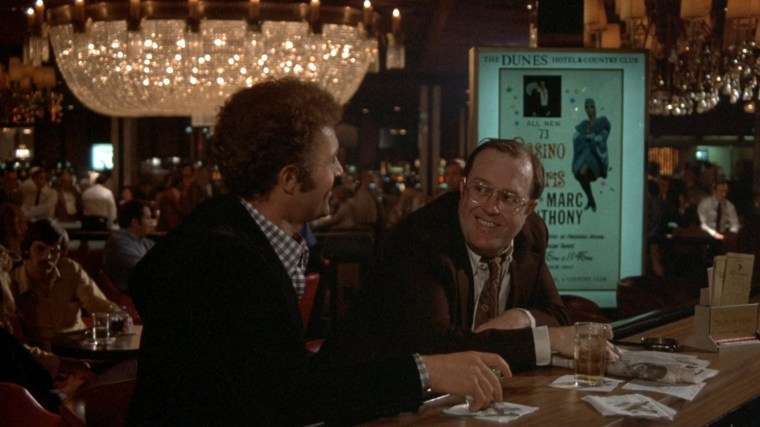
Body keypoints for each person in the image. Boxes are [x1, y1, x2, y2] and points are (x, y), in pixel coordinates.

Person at [125, 78, 513, 427]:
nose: (341, 171)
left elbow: (279, 378)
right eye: (330, 160)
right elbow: (292, 399)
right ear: (290, 179)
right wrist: (427, 372)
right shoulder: (225, 262)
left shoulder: (229, 233)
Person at [321, 139, 612, 374]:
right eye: (480, 189)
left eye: (508, 198)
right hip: (366, 398)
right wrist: (544, 341)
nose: (490, 207)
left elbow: (557, 314)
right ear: (462, 188)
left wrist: (519, 318)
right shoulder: (420, 239)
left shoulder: (531, 235)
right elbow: (437, 349)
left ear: (529, 209)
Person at [6, 220, 119, 351]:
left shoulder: (69, 270)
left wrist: (119, 316)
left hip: (77, 349)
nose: (47, 256)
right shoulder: (12, 281)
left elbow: (98, 304)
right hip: (39, 355)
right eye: (40, 249)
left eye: (54, 251)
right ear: (27, 250)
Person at [102, 200, 155, 293]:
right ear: (135, 222)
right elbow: (142, 269)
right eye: (147, 218)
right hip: (128, 295)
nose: (151, 223)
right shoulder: (118, 242)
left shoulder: (144, 241)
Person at [571, 98, 610, 212]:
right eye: (587, 107)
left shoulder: (602, 121)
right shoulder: (584, 124)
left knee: (582, 173)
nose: (589, 109)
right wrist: (585, 138)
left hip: (595, 156)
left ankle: (591, 201)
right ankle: (591, 200)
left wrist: (593, 138)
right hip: (583, 156)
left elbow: (602, 137)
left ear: (595, 107)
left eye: (591, 106)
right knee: (580, 175)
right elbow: (575, 138)